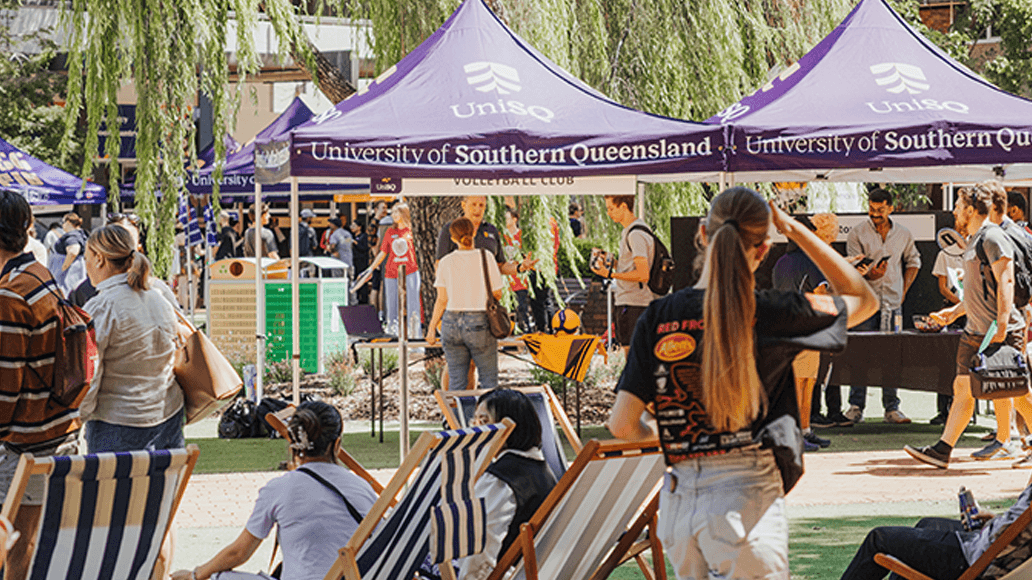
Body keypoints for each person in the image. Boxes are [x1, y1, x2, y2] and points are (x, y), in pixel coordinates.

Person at [607, 187, 877, 580]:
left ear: (702, 234)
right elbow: (863, 299)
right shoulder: (773, 311)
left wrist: (680, 436)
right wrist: (796, 231)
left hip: (680, 502)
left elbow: (622, 425)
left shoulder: (658, 317)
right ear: (763, 249)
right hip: (747, 498)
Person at [171, 401, 378, 580]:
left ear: (293, 444)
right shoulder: (362, 487)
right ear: (337, 444)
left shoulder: (279, 489)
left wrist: (195, 575)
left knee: (219, 577)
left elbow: (239, 553)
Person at [904, 182, 1032, 468]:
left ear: (972, 210)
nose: (954, 211)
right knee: (963, 389)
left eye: (959, 206)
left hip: (998, 333)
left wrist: (1001, 325)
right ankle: (942, 449)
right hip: (975, 330)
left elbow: (1006, 279)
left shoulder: (992, 237)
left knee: (1017, 392)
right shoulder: (976, 239)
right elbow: (978, 289)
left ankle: (944, 449)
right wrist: (954, 312)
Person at [0, 190, 82, 580]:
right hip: (55, 432)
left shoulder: (8, 295)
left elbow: (5, 388)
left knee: (11, 542)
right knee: (24, 543)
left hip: (21, 444)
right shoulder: (40, 275)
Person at [81, 225, 185, 453]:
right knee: (161, 490)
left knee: (113, 490)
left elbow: (89, 375)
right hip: (168, 415)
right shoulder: (159, 299)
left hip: (118, 423)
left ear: (99, 259)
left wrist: (77, 417)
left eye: (86, 258)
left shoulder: (101, 307)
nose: (86, 265)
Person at [458, 389, 558, 580]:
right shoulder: (544, 472)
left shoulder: (500, 480)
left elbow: (477, 551)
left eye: (484, 422)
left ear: (510, 427)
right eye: (475, 422)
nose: (477, 429)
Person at [840, 481, 1032, 580]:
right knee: (928, 524)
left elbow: (1010, 533)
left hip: (981, 561)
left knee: (879, 540)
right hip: (999, 551)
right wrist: (995, 520)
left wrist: (993, 526)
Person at [843, 188, 920, 425]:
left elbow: (914, 261)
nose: (875, 214)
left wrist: (904, 291)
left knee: (891, 357)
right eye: (871, 209)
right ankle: (856, 407)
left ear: (891, 208)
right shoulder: (857, 233)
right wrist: (872, 276)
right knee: (861, 355)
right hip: (865, 305)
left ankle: (892, 408)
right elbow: (852, 271)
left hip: (893, 305)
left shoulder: (904, 234)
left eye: (880, 210)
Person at [771, 213, 837, 452]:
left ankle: (805, 430)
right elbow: (822, 296)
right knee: (803, 384)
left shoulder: (780, 263)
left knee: (805, 382)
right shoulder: (809, 261)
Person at [426, 217, 504, 391]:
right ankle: (487, 418)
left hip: (450, 322)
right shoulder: (487, 257)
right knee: (489, 381)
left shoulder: (445, 262)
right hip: (479, 322)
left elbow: (442, 300)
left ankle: (457, 418)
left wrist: (431, 328)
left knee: (457, 382)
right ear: (474, 233)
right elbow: (498, 292)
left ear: (453, 239)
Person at [589, 194, 655, 352]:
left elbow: (643, 274)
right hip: (631, 303)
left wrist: (610, 274)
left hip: (633, 304)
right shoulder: (632, 231)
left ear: (624, 207)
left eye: (611, 208)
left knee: (632, 356)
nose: (608, 213)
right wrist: (611, 260)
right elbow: (632, 267)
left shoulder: (635, 234)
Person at [369, 203, 420, 338]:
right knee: (391, 305)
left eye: (395, 213)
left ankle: (415, 336)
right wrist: (372, 267)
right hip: (391, 272)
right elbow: (383, 252)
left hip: (410, 271)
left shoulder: (411, 231)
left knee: (413, 304)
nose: (392, 216)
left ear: (403, 214)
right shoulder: (390, 232)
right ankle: (392, 334)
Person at [930, 244, 964, 426]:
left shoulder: (979, 249)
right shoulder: (945, 253)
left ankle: (966, 413)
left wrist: (969, 304)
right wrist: (959, 305)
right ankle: (943, 412)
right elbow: (943, 287)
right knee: (945, 362)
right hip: (951, 312)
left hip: (974, 314)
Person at [503, 207, 533, 333]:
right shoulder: (502, 236)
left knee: (521, 307)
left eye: (507, 218)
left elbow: (527, 255)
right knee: (507, 310)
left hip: (519, 278)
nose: (505, 220)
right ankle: (508, 334)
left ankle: (525, 332)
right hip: (505, 278)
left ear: (515, 219)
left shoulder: (522, 236)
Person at [48, 211, 88, 295]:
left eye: (63, 222)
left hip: (68, 275)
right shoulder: (81, 233)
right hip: (73, 272)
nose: (62, 225)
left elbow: (73, 251)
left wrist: (62, 268)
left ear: (68, 222)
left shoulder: (72, 235)